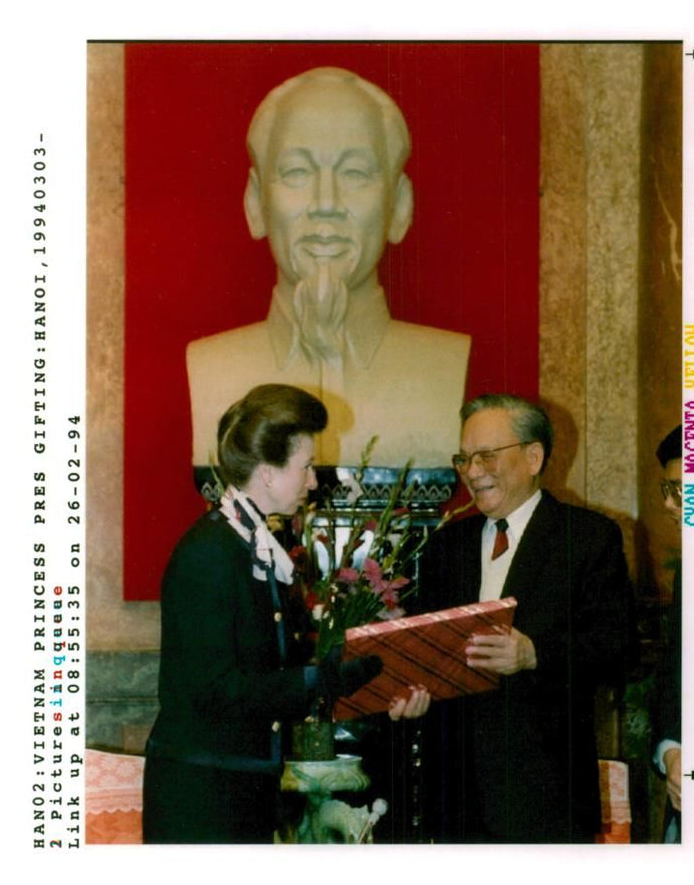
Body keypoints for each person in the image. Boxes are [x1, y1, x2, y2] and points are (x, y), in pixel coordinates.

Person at [143, 384, 429, 844]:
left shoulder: (248, 545)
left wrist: (372, 683)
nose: (314, 481)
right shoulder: (210, 553)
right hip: (202, 801)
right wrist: (321, 681)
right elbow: (212, 690)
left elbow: (271, 673)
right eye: (307, 467)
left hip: (240, 788)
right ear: (268, 473)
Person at [187, 66, 470, 471]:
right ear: (255, 204)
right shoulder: (211, 367)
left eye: (355, 173)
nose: (325, 202)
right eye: (297, 172)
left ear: (400, 208)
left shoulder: (442, 366)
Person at [419, 393, 638, 843]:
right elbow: (426, 648)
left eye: (486, 456)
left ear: (533, 456)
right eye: (464, 458)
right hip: (456, 796)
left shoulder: (588, 539)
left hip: (546, 794)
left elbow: (617, 648)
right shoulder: (445, 547)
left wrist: (535, 654)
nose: (472, 472)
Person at [652, 425, 682, 842]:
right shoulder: (690, 571)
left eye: (679, 489)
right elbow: (673, 681)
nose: (667, 504)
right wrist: (674, 752)